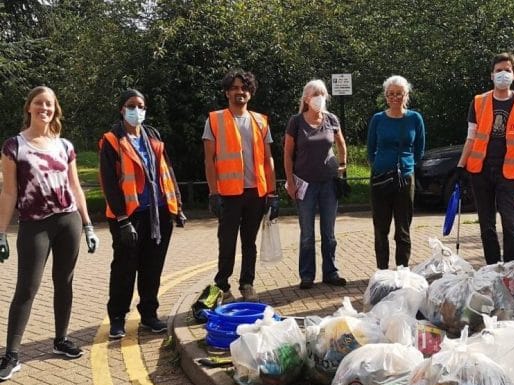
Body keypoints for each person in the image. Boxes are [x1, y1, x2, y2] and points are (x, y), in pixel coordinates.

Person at [0, 86, 99, 381]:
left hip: (68, 221)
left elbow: (76, 186)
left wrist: (88, 224)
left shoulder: (65, 146)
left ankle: (61, 340)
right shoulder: (14, 146)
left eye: (50, 104)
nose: (45, 108)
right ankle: (12, 354)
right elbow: (8, 192)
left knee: (64, 282)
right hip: (34, 225)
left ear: (55, 110)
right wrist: (1, 232)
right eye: (39, 103)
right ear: (29, 107)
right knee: (27, 288)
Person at [99, 88, 186, 340]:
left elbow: (166, 172)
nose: (137, 110)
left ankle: (149, 314)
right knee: (124, 268)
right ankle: (117, 318)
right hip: (128, 215)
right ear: (122, 110)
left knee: (152, 267)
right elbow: (110, 184)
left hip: (157, 213)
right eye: (131, 105)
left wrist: (176, 206)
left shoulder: (153, 136)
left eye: (141, 105)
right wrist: (122, 219)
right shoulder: (112, 140)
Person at [203, 69, 277, 302]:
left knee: (249, 242)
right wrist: (213, 192)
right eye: (234, 88)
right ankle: (222, 285)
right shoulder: (215, 119)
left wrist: (273, 193)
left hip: (255, 191)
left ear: (250, 93)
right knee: (226, 242)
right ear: (227, 93)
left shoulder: (260, 121)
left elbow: (268, 159)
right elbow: (209, 159)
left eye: (244, 88)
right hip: (228, 193)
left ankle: (247, 283)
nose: (239, 92)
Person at [456, 52, 514, 265]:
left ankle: (513, 271)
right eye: (498, 70)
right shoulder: (479, 101)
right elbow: (471, 137)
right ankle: (492, 269)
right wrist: (460, 165)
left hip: (510, 173)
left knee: (510, 224)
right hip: (480, 170)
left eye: (507, 70)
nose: (503, 74)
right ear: (491, 75)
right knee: (486, 225)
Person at [284, 79, 348, 289]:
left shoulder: (331, 119)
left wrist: (342, 164)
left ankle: (331, 272)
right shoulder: (296, 121)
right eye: (315, 94)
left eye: (322, 93)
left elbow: (340, 143)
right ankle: (307, 275)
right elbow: (287, 153)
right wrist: (290, 180)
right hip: (305, 183)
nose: (319, 98)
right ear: (306, 99)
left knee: (329, 233)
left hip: (329, 183)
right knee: (307, 233)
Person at [367, 75, 425, 269]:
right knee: (381, 228)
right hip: (380, 178)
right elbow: (370, 148)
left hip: (404, 178)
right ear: (386, 96)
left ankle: (402, 269)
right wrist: (379, 166)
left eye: (399, 93)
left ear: (406, 95)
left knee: (403, 229)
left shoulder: (415, 119)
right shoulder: (377, 119)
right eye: (391, 94)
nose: (395, 97)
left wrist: (408, 165)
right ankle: (382, 271)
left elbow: (419, 148)